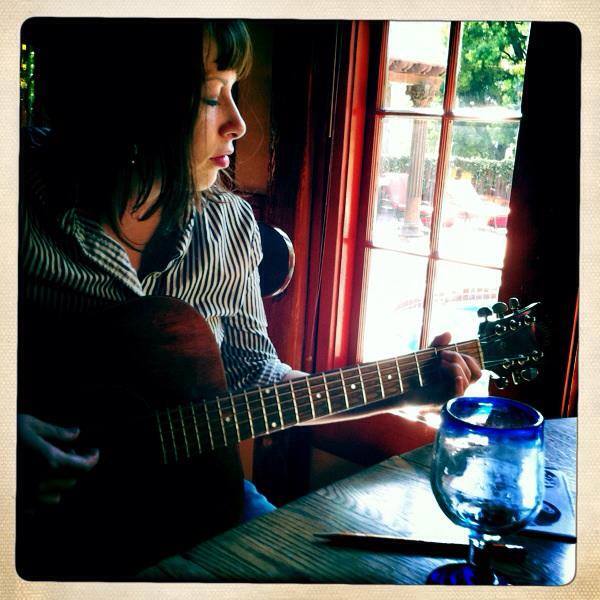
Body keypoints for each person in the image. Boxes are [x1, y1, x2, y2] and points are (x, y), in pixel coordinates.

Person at [17, 18, 480, 580]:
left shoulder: (230, 227)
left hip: (193, 509)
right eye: (212, 96)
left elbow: (255, 378)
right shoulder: (20, 205)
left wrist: (404, 391)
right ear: (134, 101)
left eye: (234, 92)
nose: (238, 123)